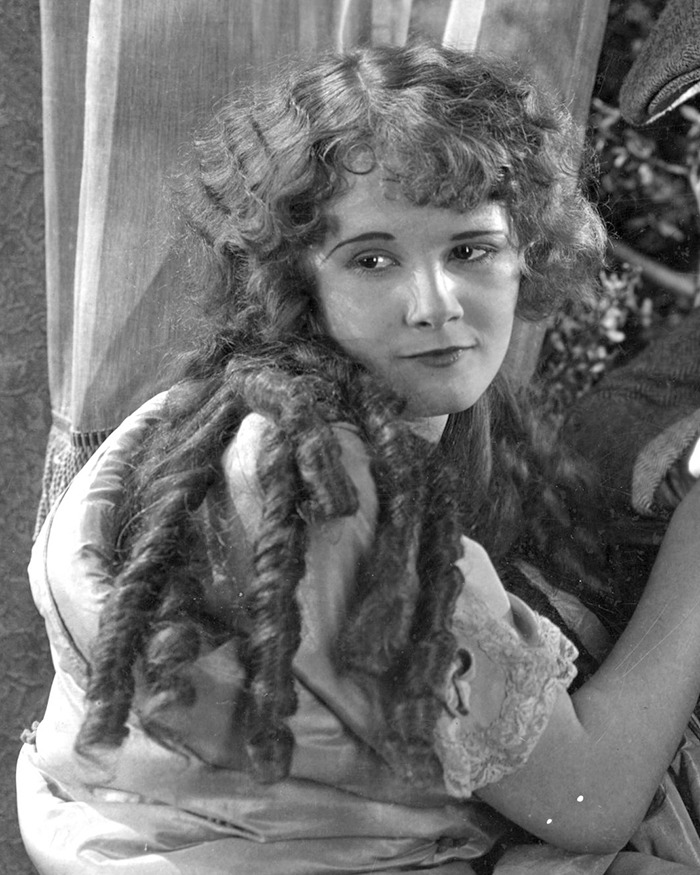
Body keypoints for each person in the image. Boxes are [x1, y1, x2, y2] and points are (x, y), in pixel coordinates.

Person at [15, 42, 700, 874]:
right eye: (373, 260)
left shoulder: (239, 408)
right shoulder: (323, 486)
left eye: (471, 250)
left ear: (532, 250)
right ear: (293, 279)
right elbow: (588, 797)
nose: (435, 304)